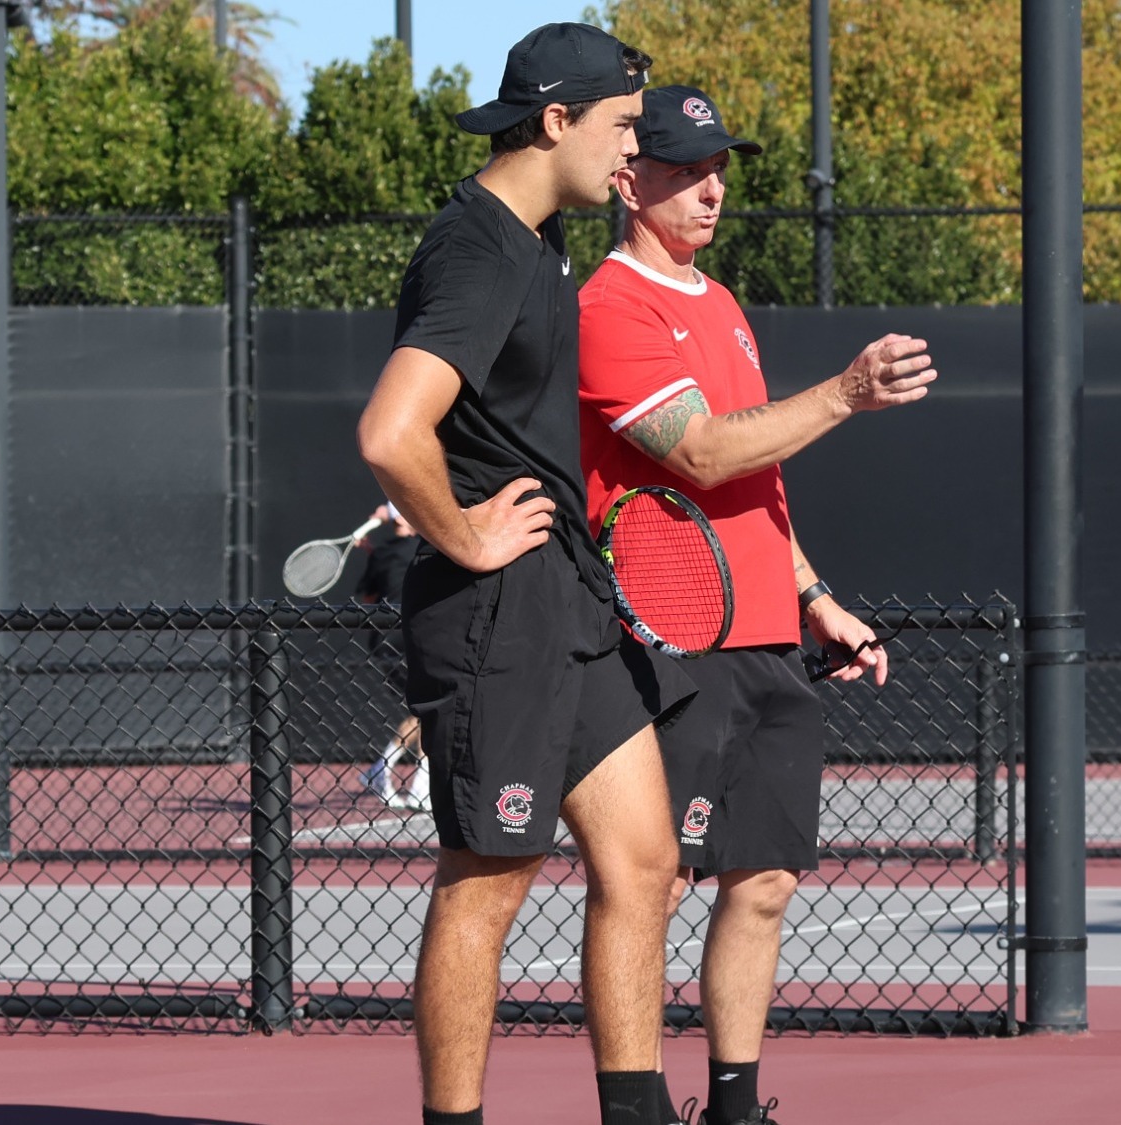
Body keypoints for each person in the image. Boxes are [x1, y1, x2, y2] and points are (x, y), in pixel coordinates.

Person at [355, 24, 697, 1125]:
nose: (633, 155)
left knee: (644, 864)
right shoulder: (478, 251)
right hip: (493, 614)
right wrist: (457, 532)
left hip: (565, 600)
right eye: (622, 130)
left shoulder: (539, 240)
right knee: (486, 884)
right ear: (555, 121)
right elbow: (387, 431)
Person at [577, 86, 936, 1125]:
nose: (711, 187)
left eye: (718, 167)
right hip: (665, 646)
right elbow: (696, 452)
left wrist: (814, 595)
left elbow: (753, 479)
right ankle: (633, 1110)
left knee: (765, 880)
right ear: (626, 179)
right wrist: (842, 395)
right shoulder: (607, 307)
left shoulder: (719, 302)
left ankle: (733, 1108)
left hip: (766, 640)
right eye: (686, 169)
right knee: (655, 887)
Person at [354, 503, 429, 811]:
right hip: (411, 641)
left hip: (382, 643)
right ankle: (416, 786)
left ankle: (385, 773)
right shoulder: (425, 551)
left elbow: (369, 599)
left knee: (424, 711)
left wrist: (372, 551)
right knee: (427, 711)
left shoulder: (381, 554)